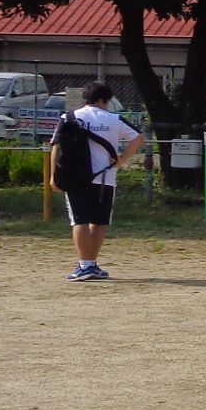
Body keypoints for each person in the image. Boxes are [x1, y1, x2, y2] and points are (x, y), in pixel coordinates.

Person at [49, 81, 143, 283]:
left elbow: (56, 147)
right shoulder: (114, 119)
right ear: (104, 100)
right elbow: (138, 138)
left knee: (79, 219)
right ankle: (90, 263)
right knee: (99, 221)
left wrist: (53, 176)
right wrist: (122, 159)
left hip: (75, 177)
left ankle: (85, 265)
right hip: (105, 178)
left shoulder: (69, 117)